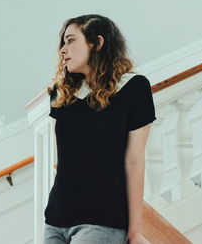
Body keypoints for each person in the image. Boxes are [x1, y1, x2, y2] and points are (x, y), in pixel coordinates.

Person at [44, 14, 156, 244]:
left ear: (97, 43)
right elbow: (64, 161)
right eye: (62, 43)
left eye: (71, 40)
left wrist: (135, 231)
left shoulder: (133, 88)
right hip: (55, 220)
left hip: (102, 220)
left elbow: (134, 162)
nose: (63, 50)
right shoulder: (61, 94)